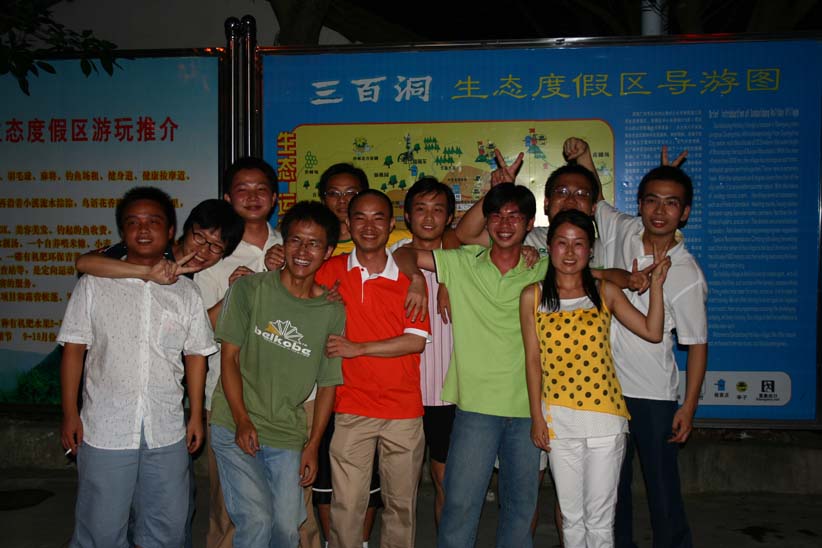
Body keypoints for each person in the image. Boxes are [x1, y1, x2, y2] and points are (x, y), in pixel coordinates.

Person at [59, 186, 216, 548]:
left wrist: (195, 415)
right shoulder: (94, 285)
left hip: (166, 429)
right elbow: (74, 350)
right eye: (133, 222)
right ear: (122, 231)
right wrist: (69, 413)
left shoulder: (186, 292)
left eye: (153, 221)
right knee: (100, 528)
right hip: (105, 428)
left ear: (171, 230)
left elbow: (196, 355)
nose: (143, 229)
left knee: (168, 525)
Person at [394, 182, 548, 548]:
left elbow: (597, 274)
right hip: (475, 408)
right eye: (496, 215)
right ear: (486, 221)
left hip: (527, 408)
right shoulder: (462, 263)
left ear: (530, 224)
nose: (504, 224)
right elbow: (404, 253)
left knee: (520, 507)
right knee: (460, 505)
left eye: (514, 216)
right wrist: (418, 280)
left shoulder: (544, 268)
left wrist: (633, 278)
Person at [521, 209, 670, 548]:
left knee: (600, 520)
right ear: (550, 247)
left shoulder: (605, 292)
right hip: (559, 419)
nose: (570, 252)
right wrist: (537, 417)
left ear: (590, 250)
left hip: (605, 419)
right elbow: (533, 360)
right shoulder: (533, 296)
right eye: (562, 243)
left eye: (579, 244)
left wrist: (657, 287)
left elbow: (652, 331)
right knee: (572, 517)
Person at [209, 201, 345, 548]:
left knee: (286, 527)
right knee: (255, 520)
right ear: (283, 243)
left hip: (287, 431)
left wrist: (313, 445)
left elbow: (328, 383)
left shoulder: (331, 310)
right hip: (234, 421)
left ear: (328, 251)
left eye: (314, 244)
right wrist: (241, 419)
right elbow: (229, 359)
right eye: (295, 240)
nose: (302, 251)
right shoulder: (249, 290)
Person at [594, 163, 708, 548]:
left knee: (662, 488)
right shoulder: (625, 230)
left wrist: (687, 407)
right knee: (613, 486)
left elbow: (697, 344)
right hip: (607, 390)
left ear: (685, 213)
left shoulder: (687, 273)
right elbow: (597, 199)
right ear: (640, 205)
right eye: (652, 201)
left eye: (671, 203)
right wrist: (583, 156)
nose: (660, 211)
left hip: (653, 395)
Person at [314, 189, 430, 548]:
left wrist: (358, 348)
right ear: (348, 225)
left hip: (403, 411)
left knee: (401, 507)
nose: (369, 226)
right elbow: (296, 293)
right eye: (359, 218)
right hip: (351, 408)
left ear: (391, 224)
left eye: (378, 217)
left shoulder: (409, 280)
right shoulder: (330, 271)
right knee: (347, 506)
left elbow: (415, 341)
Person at [194, 156, 283, 548]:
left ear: (275, 197)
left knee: (288, 505)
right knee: (228, 505)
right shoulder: (214, 255)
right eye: (242, 189)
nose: (253, 196)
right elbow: (197, 332)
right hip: (227, 394)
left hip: (285, 396)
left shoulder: (292, 245)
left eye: (261, 189)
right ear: (227, 198)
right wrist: (233, 292)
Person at [389, 177, 456, 528]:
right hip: (404, 393)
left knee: (447, 482)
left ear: (450, 217)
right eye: (420, 209)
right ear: (406, 215)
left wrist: (446, 276)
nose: (429, 218)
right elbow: (403, 254)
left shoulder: (463, 259)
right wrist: (419, 277)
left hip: (451, 393)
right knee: (400, 489)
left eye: (438, 210)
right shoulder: (391, 258)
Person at [75, 197, 244, 282]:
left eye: (216, 246)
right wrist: (148, 272)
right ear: (186, 229)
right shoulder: (153, 250)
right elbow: (84, 263)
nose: (203, 250)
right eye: (200, 237)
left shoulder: (209, 277)